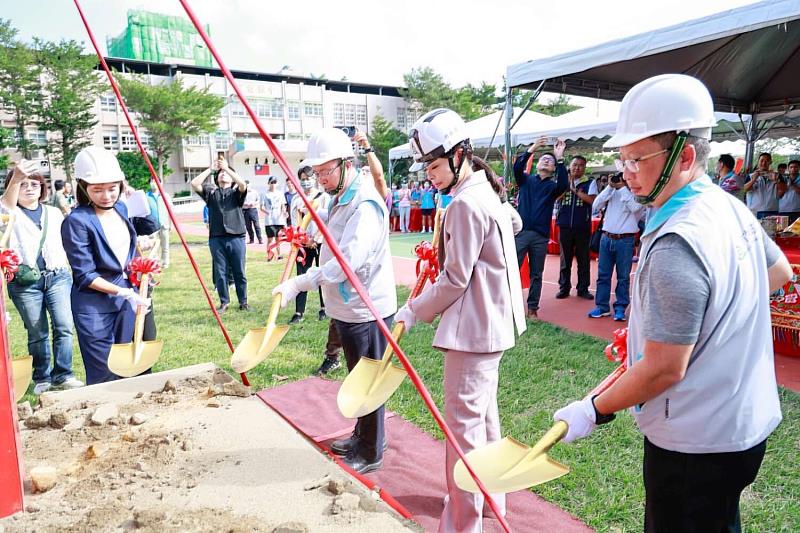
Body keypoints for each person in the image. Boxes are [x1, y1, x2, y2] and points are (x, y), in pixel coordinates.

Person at [554, 74, 791, 533]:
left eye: (636, 158)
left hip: (694, 441)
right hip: (740, 426)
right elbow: (778, 272)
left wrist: (593, 409)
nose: (625, 170)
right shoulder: (728, 207)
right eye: (622, 158)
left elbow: (664, 368)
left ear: (684, 155)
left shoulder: (677, 240)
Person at [396, 108, 526, 533]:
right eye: (427, 167)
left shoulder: (466, 203)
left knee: (464, 436)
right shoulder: (485, 192)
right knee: (485, 423)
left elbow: (454, 280)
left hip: (475, 331)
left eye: (434, 165)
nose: (429, 175)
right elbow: (512, 221)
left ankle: (463, 525)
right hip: (494, 326)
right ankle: (494, 503)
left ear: (459, 156)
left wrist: (414, 310)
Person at [273, 127, 396, 474]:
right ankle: (363, 435)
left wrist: (299, 283)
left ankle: (372, 450)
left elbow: (347, 263)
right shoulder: (341, 196)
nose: (321, 179)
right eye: (318, 172)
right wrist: (316, 219)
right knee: (359, 377)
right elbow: (335, 228)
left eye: (327, 171)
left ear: (346, 164)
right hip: (348, 307)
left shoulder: (366, 202)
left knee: (368, 382)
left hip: (367, 307)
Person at [61, 147, 151, 385]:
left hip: (125, 301)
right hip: (94, 307)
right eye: (97, 190)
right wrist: (122, 292)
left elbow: (145, 228)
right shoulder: (76, 221)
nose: (106, 196)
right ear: (83, 187)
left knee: (127, 368)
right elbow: (84, 275)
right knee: (104, 372)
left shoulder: (121, 208)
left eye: (112, 188)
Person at [1, 161, 83, 394]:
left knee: (64, 325)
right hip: (25, 281)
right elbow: (4, 206)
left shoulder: (54, 212)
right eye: (22, 184)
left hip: (57, 276)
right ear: (13, 187)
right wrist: (15, 177)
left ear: (42, 187)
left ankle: (64, 374)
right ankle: (42, 377)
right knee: (37, 332)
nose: (29, 188)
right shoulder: (9, 213)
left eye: (34, 183)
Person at [513, 136, 569, 318]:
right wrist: (533, 147)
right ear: (536, 164)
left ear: (553, 169)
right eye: (543, 159)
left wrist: (559, 157)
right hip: (521, 233)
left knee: (537, 273)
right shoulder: (526, 181)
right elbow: (516, 168)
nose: (547, 160)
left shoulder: (553, 187)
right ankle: (507, 304)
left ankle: (532, 308)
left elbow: (564, 185)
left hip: (539, 236)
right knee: (512, 270)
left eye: (550, 161)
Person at [191, 158, 250, 313]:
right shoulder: (211, 193)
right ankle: (224, 302)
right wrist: (211, 169)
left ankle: (243, 301)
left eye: (227, 173)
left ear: (232, 177)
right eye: (221, 173)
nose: (223, 175)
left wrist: (228, 169)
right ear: (216, 179)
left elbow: (243, 184)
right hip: (217, 238)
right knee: (220, 272)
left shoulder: (237, 193)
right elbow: (194, 184)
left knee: (239, 271)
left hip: (236, 237)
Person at [588, 172, 643, 321]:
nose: (621, 180)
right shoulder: (612, 192)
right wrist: (610, 187)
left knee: (623, 277)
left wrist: (621, 189)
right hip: (606, 238)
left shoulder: (637, 194)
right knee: (603, 276)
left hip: (625, 240)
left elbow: (635, 207)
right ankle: (602, 307)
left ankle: (620, 308)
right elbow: (596, 204)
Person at [288, 166, 329, 325]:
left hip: (320, 242)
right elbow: (294, 223)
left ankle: (324, 308)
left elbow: (327, 220)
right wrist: (304, 240)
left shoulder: (324, 197)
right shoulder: (296, 200)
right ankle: (299, 312)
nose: (306, 182)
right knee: (301, 275)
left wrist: (317, 238)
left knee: (323, 275)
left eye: (308, 178)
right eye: (302, 179)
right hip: (303, 243)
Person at [555, 155, 597, 299]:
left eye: (580, 165)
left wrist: (575, 191)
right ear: (569, 166)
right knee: (564, 260)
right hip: (565, 226)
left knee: (583, 260)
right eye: (574, 165)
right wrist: (566, 185)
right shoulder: (562, 182)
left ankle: (583, 289)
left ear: (584, 168)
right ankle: (564, 288)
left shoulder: (590, 183)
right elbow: (555, 198)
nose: (577, 168)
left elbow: (592, 200)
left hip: (582, 227)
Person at [743, 152, 780, 218]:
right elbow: (743, 190)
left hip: (772, 211)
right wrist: (753, 180)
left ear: (770, 162)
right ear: (758, 161)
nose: (764, 163)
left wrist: (776, 180)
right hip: (754, 211)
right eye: (762, 160)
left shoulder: (776, 176)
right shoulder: (750, 176)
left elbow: (783, 191)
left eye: (767, 161)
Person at [146, 178, 172, 268]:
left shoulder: (166, 196)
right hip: (152, 225)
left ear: (161, 183)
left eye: (155, 181)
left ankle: (165, 262)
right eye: (151, 181)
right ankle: (155, 263)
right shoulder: (146, 196)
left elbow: (170, 211)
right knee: (154, 245)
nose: (153, 183)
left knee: (165, 245)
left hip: (164, 224)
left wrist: (170, 225)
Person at [260, 176, 287, 261]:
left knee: (278, 239)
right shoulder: (264, 194)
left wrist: (284, 212)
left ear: (277, 183)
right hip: (269, 221)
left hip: (279, 220)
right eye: (271, 182)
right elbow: (261, 207)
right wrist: (267, 212)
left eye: (275, 182)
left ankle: (279, 255)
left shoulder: (280, 193)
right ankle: (269, 255)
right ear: (268, 183)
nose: (273, 184)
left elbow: (283, 205)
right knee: (270, 239)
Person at [242, 180, 263, 245]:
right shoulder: (242, 193)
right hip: (245, 210)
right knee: (248, 226)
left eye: (248, 186)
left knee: (257, 225)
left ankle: (260, 239)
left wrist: (254, 203)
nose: (247, 187)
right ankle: (251, 239)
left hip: (253, 210)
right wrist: (246, 204)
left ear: (250, 185)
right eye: (246, 186)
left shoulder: (255, 192)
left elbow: (258, 200)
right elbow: (240, 201)